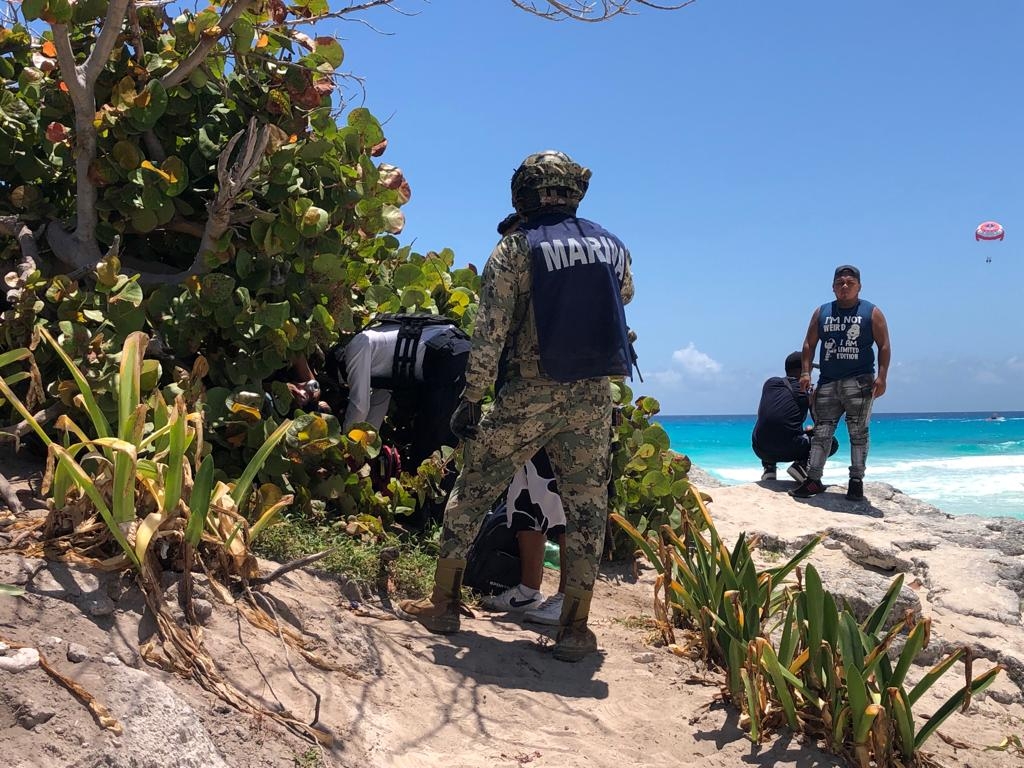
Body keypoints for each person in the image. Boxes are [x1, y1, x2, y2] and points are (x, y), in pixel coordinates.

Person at [395, 150, 634, 662]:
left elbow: (490, 332)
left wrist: (472, 397)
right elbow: (624, 298)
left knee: (473, 488)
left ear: (524, 190)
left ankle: (443, 603)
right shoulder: (613, 246)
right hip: (593, 397)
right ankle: (574, 628)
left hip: (529, 390)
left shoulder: (517, 247)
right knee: (588, 508)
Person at [790, 265, 890, 501]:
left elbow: (884, 345)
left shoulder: (871, 312)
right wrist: (805, 372)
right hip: (828, 381)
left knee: (859, 433)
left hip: (860, 381)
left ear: (859, 287)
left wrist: (882, 377)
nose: (844, 287)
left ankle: (856, 481)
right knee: (821, 432)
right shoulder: (822, 312)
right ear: (833, 287)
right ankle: (813, 479)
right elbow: (809, 344)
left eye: (849, 283)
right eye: (840, 283)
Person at [324, 314, 472, 466]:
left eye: (347, 381)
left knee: (430, 442)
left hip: (446, 354)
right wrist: (363, 454)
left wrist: (344, 450)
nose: (352, 382)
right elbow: (377, 409)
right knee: (445, 436)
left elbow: (359, 406)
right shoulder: (379, 364)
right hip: (455, 353)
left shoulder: (358, 345)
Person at [463, 449, 568, 625]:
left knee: (565, 502)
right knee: (524, 497)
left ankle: (569, 600)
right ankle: (527, 593)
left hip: (571, 430)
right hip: (533, 427)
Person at [751, 351, 838, 483]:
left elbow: (776, 415)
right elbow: (822, 425)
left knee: (771, 428)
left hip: (760, 448)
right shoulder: (806, 390)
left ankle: (769, 469)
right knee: (831, 442)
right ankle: (801, 466)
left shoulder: (770, 384)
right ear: (805, 370)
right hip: (788, 449)